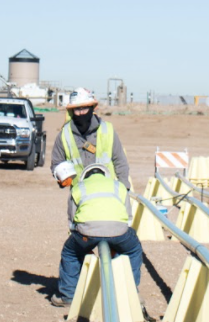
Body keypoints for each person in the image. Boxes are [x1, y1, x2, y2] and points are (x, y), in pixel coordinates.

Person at [48, 87, 146, 309]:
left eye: (84, 108)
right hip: (82, 198)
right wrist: (64, 179)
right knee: (92, 243)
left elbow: (120, 162)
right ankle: (115, 293)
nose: (81, 113)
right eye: (76, 109)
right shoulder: (64, 136)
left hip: (109, 195)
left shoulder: (107, 131)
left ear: (93, 107)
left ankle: (76, 293)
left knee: (92, 246)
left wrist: (121, 190)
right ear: (70, 111)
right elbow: (56, 163)